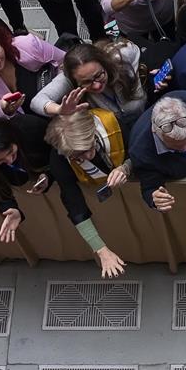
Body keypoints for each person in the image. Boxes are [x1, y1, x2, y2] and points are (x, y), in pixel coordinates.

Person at [44, 109, 127, 278]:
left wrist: (126, 167)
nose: (88, 156)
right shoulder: (59, 157)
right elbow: (74, 205)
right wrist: (101, 250)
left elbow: (141, 150)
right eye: (78, 156)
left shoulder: (112, 122)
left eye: (89, 148)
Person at [31, 41, 146, 133]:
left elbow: (139, 52)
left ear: (105, 64)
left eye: (99, 75)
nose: (96, 85)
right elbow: (37, 101)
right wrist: (59, 109)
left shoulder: (122, 56)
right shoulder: (68, 79)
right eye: (86, 82)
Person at [0, 117, 51, 243]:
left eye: (11, 152)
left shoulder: (33, 128)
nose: (9, 160)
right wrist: (11, 209)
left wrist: (49, 175)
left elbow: (61, 154)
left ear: (13, 138)